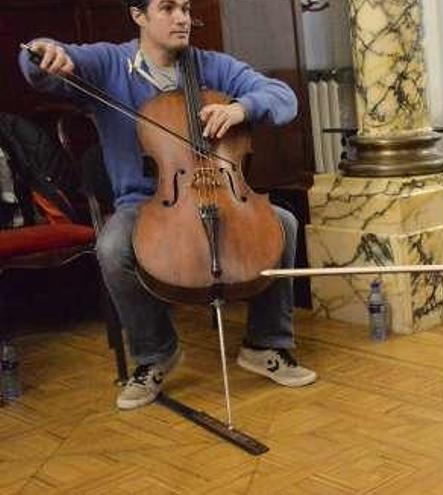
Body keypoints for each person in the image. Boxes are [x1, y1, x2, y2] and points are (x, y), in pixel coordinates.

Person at [19, 0, 317, 411]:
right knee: (111, 248)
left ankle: (266, 343)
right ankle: (155, 353)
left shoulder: (211, 66)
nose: (181, 18)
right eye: (167, 8)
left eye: (185, 8)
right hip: (144, 202)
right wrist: (41, 53)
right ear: (138, 15)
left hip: (217, 189)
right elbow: (42, 65)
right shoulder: (109, 64)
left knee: (281, 223)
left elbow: (283, 97)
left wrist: (240, 107)